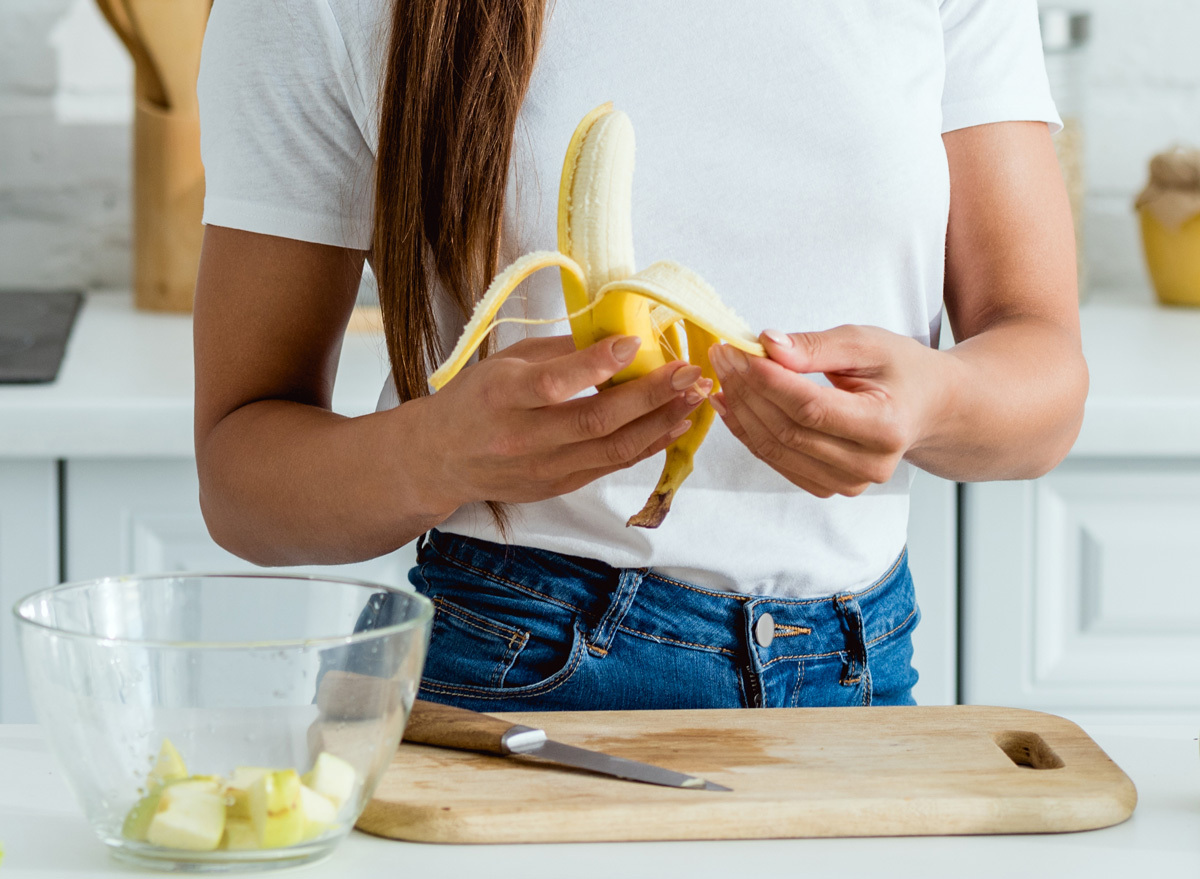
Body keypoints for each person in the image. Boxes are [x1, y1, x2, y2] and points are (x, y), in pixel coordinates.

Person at [194, 0, 1087, 712]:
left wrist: (937, 404)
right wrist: (434, 451)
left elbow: (1044, 374)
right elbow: (240, 476)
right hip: (520, 669)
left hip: (859, 671)